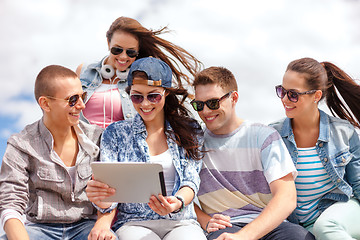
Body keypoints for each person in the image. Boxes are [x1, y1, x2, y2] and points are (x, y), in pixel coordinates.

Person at [85, 57, 206, 240]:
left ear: (165, 93)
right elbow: (109, 193)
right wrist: (100, 197)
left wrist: (177, 202)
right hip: (134, 222)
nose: (145, 104)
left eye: (153, 96)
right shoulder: (115, 134)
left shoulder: (190, 130)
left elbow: (191, 180)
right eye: (137, 96)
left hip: (181, 221)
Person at [191, 66, 315, 240]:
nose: (205, 111)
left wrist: (244, 236)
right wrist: (204, 220)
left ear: (234, 98)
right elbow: (179, 192)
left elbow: (286, 197)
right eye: (198, 105)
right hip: (225, 227)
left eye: (213, 103)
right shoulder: (193, 144)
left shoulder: (264, 136)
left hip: (270, 225)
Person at [0, 65, 104, 239]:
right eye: (72, 99)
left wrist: (101, 226)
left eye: (82, 96)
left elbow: (111, 195)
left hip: (86, 226)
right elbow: (10, 203)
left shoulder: (97, 139)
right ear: (45, 104)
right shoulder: (21, 144)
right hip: (39, 229)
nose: (82, 105)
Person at [270, 57, 360, 240]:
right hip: (299, 224)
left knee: (326, 227)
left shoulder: (343, 132)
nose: (285, 99)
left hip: (341, 212)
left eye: (293, 94)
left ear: (316, 96)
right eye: (282, 91)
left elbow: (358, 183)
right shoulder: (273, 135)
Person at [76, 16, 202, 128]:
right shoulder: (84, 70)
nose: (123, 57)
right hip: (84, 148)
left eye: (131, 52)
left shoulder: (140, 79)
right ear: (108, 43)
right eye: (117, 49)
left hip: (118, 149)